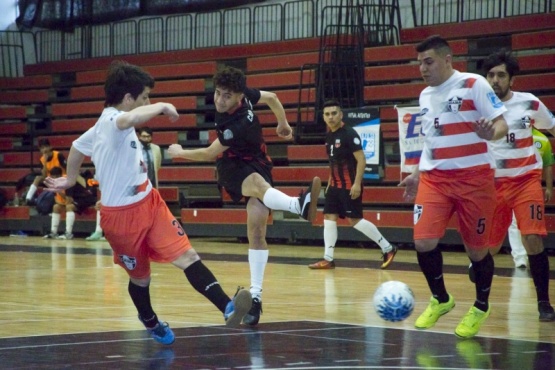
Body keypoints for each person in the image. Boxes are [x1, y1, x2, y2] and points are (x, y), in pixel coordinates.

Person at [44, 60, 251, 345]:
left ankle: (227, 305)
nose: (148, 102)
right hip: (120, 219)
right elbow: (127, 121)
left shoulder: (102, 125)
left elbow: (77, 147)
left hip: (150, 203)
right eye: (145, 98)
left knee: (187, 256)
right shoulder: (112, 121)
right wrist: (163, 106)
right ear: (129, 99)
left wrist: (69, 179)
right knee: (141, 279)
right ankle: (150, 321)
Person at [168, 66, 321, 327]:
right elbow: (272, 98)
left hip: (254, 161)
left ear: (239, 97)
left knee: (257, 230)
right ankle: (298, 205)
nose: (219, 100)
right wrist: (282, 123)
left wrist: (179, 151)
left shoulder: (237, 122)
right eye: (217, 93)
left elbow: (207, 153)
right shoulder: (245, 96)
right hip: (233, 168)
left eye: (226, 96)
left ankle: (256, 299)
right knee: (259, 186)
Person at [399, 35, 509, 338]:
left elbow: (502, 124)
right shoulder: (425, 96)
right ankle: (441, 299)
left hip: (475, 180)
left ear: (448, 60)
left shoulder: (474, 84)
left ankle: (481, 305)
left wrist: (492, 133)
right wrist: (417, 174)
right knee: (423, 242)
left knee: (477, 251)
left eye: (428, 61)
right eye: (419, 62)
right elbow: (431, 140)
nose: (422, 67)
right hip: (435, 180)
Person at [480, 49, 555, 321]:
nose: (495, 80)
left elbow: (553, 127)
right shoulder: (477, 107)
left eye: (501, 75)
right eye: (490, 75)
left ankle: (544, 304)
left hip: (526, 181)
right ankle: (481, 301)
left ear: (512, 80)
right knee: (489, 247)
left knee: (532, 239)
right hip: (491, 185)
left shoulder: (530, 104)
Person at [308, 100, 397, 270]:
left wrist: (357, 184)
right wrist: (328, 184)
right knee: (329, 217)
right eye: (327, 114)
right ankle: (328, 259)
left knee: (355, 220)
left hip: (350, 185)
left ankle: (388, 247)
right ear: (323, 117)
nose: (331, 117)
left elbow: (362, 159)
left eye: (334, 113)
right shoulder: (329, 136)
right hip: (334, 186)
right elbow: (333, 162)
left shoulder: (349, 133)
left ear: (341, 114)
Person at [507, 128, 553, 268]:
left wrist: (549, 188)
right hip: (509, 184)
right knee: (514, 223)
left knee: (530, 229)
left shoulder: (542, 140)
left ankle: (527, 256)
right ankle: (520, 258)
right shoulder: (510, 135)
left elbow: (548, 164)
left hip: (530, 188)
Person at [43, 166, 97, 239]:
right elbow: (59, 200)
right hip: (77, 199)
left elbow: (69, 200)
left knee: (69, 206)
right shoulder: (59, 182)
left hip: (86, 198)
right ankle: (53, 232)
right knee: (56, 207)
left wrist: (58, 191)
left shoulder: (68, 181)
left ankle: (68, 233)